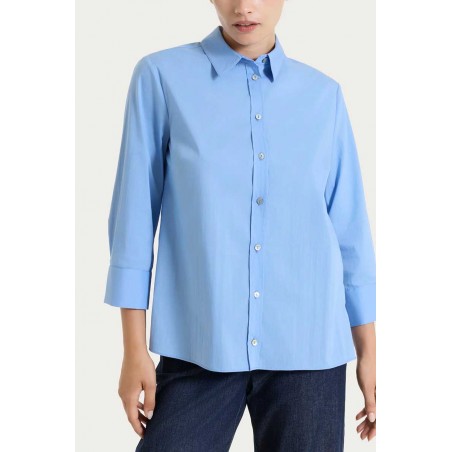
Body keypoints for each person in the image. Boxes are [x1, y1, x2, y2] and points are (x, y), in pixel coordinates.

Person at [103, 1, 376, 450]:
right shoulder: (162, 78)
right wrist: (134, 349)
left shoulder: (323, 96)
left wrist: (367, 351)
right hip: (199, 346)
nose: (244, 7)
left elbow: (350, 230)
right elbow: (133, 219)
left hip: (310, 349)